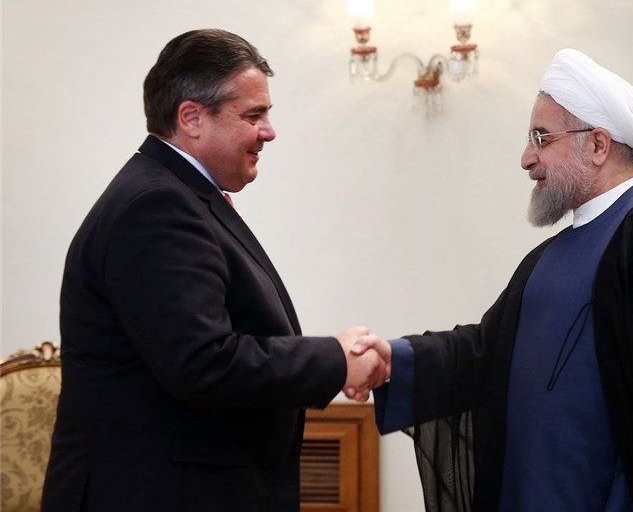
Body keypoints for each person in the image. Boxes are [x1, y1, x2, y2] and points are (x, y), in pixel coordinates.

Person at [351, 48, 633, 512]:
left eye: (541, 138)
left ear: (598, 145)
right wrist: (395, 361)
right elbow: (485, 352)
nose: (527, 159)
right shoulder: (546, 258)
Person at [41, 29, 388, 512]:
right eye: (253, 116)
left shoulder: (176, 193)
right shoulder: (157, 204)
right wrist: (335, 359)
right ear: (191, 118)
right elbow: (203, 363)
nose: (269, 131)